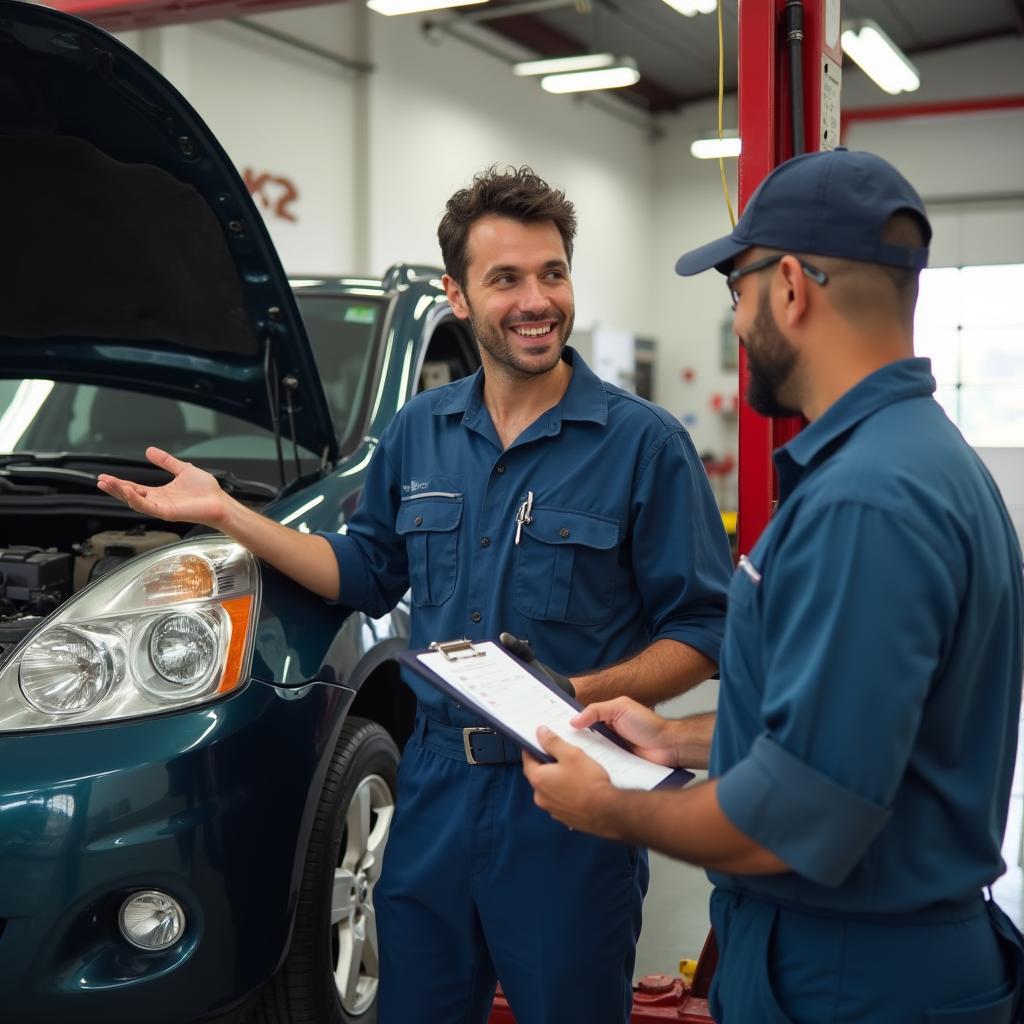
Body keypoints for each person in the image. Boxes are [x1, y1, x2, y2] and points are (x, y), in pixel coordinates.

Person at [97, 165, 734, 1023]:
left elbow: (703, 628)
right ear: (460, 297)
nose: (535, 300)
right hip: (432, 784)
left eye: (552, 273)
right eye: (505, 279)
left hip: (568, 795)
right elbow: (364, 570)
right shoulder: (418, 432)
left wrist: (576, 699)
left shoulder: (643, 446)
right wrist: (227, 512)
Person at [523, 148, 1024, 1023]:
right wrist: (676, 740)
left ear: (789, 286)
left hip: (848, 980)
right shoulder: (924, 463)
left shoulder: (866, 501)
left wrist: (610, 809)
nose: (739, 319)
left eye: (737, 292)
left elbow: (793, 817)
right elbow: (854, 727)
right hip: (873, 960)